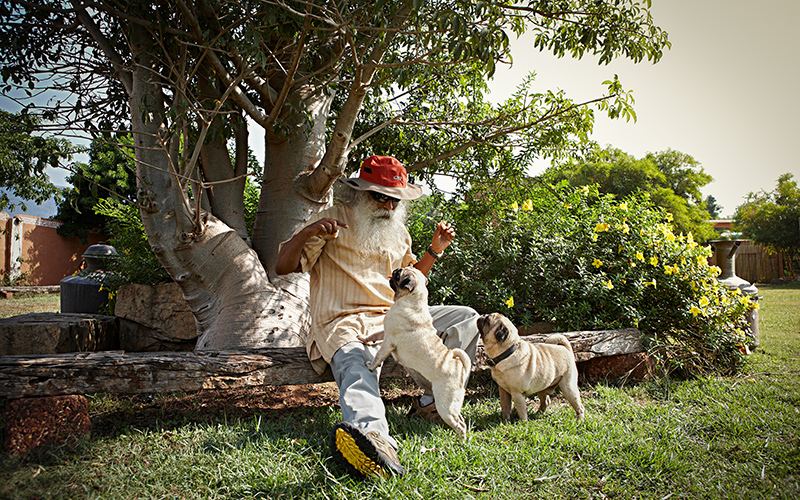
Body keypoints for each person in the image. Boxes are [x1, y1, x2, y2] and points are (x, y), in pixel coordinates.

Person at [275, 155, 479, 479]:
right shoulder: (331, 220)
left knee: (466, 319)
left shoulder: (398, 233)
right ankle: (375, 444)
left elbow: (412, 281)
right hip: (344, 322)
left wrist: (434, 251)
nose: (386, 205)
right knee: (357, 366)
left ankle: (432, 404)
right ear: (360, 193)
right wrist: (309, 231)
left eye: (393, 199)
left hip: (396, 319)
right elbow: (282, 266)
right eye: (378, 196)